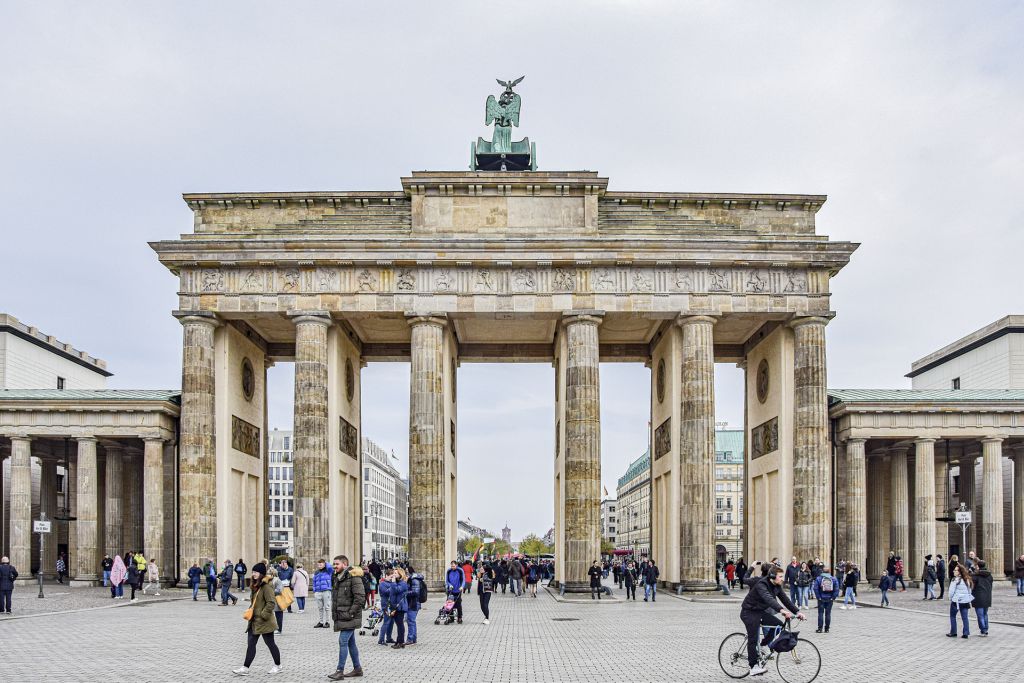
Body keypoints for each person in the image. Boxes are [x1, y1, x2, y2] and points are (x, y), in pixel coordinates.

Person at [739, 564, 806, 677]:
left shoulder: (777, 586)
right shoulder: (762, 584)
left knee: (779, 625)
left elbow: (785, 600)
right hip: (748, 612)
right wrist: (781, 610)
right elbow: (768, 598)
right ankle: (753, 666)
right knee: (753, 638)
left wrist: (797, 612)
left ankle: (764, 644)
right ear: (773, 576)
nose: (782, 579)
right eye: (780, 576)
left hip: (759, 611)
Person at [232, 561, 282, 676]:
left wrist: (263, 615)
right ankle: (245, 668)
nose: (253, 574)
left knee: (270, 644)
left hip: (265, 621)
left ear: (261, 573)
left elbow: (271, 603)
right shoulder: (255, 586)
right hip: (254, 621)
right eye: (253, 572)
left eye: (256, 572)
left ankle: (278, 665)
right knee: (251, 644)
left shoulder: (266, 586)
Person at [326, 555, 365, 680]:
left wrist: (351, 613)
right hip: (342, 616)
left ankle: (339, 671)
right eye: (334, 564)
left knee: (343, 641)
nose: (334, 566)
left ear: (345, 564)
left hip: (349, 616)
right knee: (350, 643)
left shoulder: (354, 578)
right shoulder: (337, 577)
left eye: (337, 564)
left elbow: (360, 598)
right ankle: (357, 668)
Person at [947, 561, 974, 639]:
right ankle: (966, 633)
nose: (954, 571)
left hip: (956, 601)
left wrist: (951, 598)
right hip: (965, 601)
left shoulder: (955, 580)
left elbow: (951, 591)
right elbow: (969, 591)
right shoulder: (967, 580)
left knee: (952, 616)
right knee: (965, 617)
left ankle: (953, 632)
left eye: (955, 570)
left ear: (959, 572)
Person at [812, 565, 839, 633]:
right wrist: (833, 597)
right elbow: (836, 589)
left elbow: (815, 588)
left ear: (822, 571)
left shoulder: (819, 578)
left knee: (820, 613)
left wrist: (818, 597)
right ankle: (827, 629)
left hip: (821, 598)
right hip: (830, 599)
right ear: (829, 571)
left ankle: (820, 629)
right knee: (828, 614)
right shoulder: (833, 579)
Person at [972, 560, 992, 637]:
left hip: (978, 597)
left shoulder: (975, 576)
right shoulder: (989, 575)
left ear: (978, 566)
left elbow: (972, 586)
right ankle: (986, 629)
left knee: (980, 615)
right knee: (985, 614)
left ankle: (983, 630)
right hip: (987, 596)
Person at [406, 565, 424, 644]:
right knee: (411, 621)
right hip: (413, 602)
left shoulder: (414, 580)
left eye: (406, 571)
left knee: (410, 621)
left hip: (413, 603)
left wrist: (405, 593)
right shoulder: (412, 579)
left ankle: (410, 639)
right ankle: (413, 638)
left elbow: (416, 592)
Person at [313, 559, 333, 628]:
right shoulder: (316, 572)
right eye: (318, 564)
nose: (319, 566)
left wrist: (326, 562)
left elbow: (330, 567)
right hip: (318, 591)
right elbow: (314, 581)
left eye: (321, 564)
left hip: (326, 590)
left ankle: (327, 622)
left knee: (327, 607)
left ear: (324, 564)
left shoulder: (328, 571)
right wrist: (315, 590)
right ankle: (321, 622)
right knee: (320, 608)